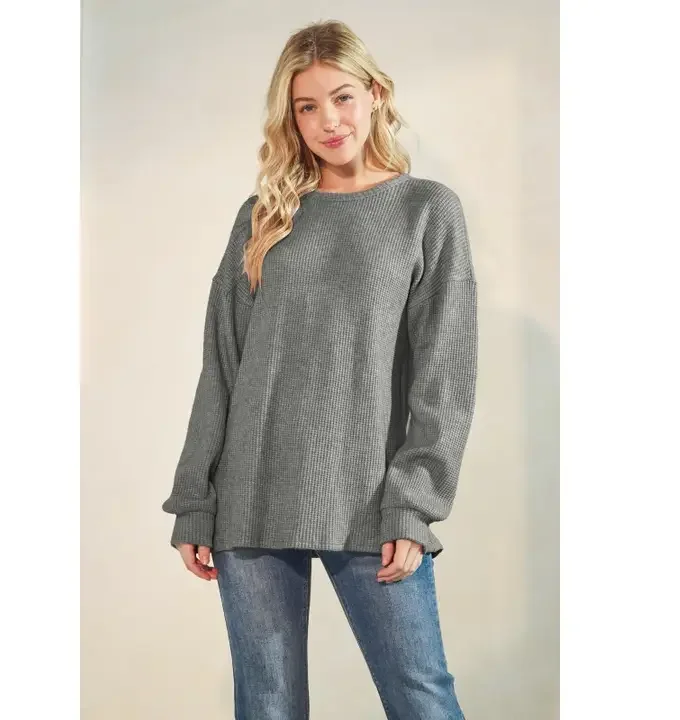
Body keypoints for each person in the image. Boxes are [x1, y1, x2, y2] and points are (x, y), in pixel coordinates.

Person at [161, 19, 476, 720]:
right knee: (267, 705)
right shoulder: (263, 218)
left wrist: (413, 503)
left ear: (376, 94)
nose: (328, 121)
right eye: (307, 107)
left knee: (421, 697)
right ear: (291, 118)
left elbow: (445, 380)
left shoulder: (427, 211)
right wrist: (195, 500)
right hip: (251, 495)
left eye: (342, 98)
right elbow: (222, 365)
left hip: (370, 501)